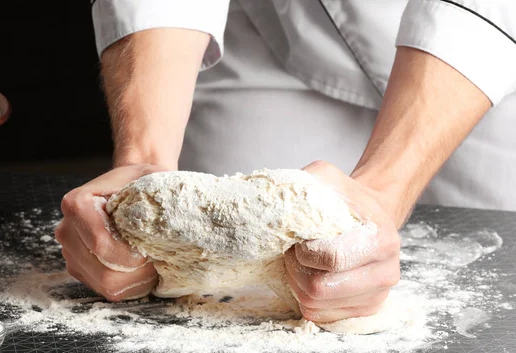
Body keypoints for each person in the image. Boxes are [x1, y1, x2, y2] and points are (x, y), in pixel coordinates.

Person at [55, 1, 516, 323]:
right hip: (274, 35)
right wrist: (143, 160)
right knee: (204, 250)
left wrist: (381, 194)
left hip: (485, 55)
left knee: (498, 272)